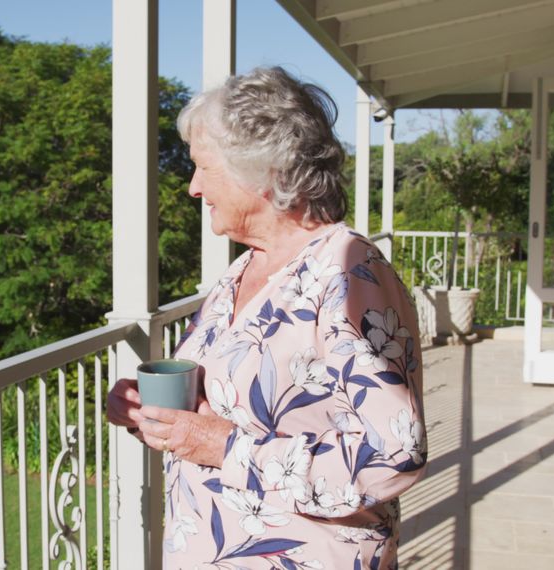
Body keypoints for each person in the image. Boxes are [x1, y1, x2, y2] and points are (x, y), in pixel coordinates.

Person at [106, 66, 427, 569]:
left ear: (262, 170)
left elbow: (393, 456)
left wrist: (224, 448)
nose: (193, 188)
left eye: (203, 168)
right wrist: (157, 416)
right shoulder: (244, 269)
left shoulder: (347, 273)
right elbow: (230, 405)